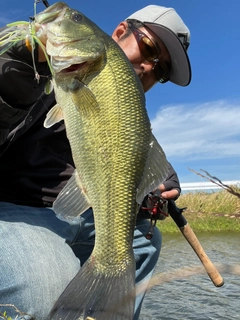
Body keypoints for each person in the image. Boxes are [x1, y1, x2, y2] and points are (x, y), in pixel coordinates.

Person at [0, 3, 191, 320]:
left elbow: (126, 150)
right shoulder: (39, 65)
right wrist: (12, 79)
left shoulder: (129, 113)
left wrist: (157, 181)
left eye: (161, 71)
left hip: (76, 213)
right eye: (148, 48)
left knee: (145, 243)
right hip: (16, 207)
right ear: (119, 32)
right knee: (44, 286)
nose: (148, 67)